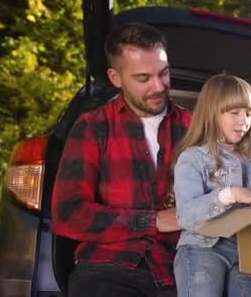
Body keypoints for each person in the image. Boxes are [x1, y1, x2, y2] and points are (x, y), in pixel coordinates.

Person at [51, 22, 192, 297]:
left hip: (181, 267)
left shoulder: (195, 126)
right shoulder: (93, 126)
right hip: (107, 267)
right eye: (143, 78)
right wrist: (151, 221)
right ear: (116, 78)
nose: (158, 86)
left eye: (163, 73)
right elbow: (68, 214)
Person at [173, 74, 251, 297]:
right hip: (201, 246)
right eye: (234, 112)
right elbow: (185, 215)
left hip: (244, 251)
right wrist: (230, 194)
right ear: (212, 113)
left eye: (248, 113)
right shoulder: (193, 159)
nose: (244, 121)